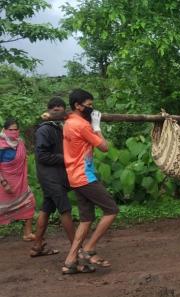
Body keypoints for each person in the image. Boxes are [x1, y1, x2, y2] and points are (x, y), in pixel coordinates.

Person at [62, 89, 119, 275]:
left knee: (86, 219)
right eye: (88, 105)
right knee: (111, 210)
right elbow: (103, 147)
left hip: (74, 176)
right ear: (77, 106)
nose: (91, 108)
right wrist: (97, 126)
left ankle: (70, 261)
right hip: (85, 176)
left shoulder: (68, 123)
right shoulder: (82, 125)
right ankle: (88, 249)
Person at [30, 97, 75, 257]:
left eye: (60, 108)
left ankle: (37, 246)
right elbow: (42, 155)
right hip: (50, 177)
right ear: (48, 111)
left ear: (64, 111)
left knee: (47, 208)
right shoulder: (45, 129)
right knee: (65, 209)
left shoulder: (58, 128)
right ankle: (77, 249)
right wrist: (66, 158)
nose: (58, 110)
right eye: (54, 109)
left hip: (54, 176)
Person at [0, 118, 35, 240]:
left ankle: (27, 233)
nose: (13, 132)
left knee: (30, 202)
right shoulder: (1, 145)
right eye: (10, 129)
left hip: (20, 183)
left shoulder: (20, 143)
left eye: (16, 129)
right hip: (4, 183)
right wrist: (4, 183)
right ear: (4, 129)